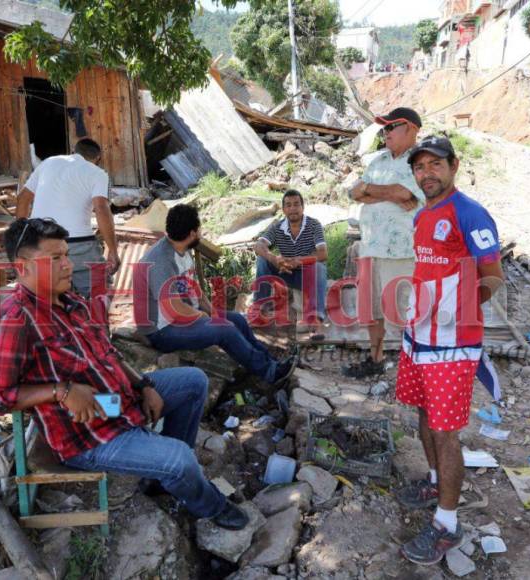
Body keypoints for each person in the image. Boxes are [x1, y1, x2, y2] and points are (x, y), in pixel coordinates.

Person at [0, 218, 249, 530]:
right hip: (86, 435)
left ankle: (162, 479)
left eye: (66, 255)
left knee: (193, 381)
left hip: (115, 403)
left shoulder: (72, 300)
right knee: (180, 459)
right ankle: (208, 505)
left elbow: (107, 352)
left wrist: (144, 384)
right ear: (22, 266)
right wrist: (61, 391)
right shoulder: (13, 319)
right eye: (55, 259)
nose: (68, 265)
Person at [395, 136, 504, 565]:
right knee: (423, 414)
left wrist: (458, 314)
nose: (427, 173)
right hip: (419, 334)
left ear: (454, 166)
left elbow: (493, 276)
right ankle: (436, 482)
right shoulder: (424, 215)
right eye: (419, 167)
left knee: (445, 430)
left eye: (435, 165)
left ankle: (447, 523)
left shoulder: (469, 212)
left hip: (453, 344)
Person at [138, 204, 297, 386]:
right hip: (162, 330)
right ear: (191, 233)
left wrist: (211, 311)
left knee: (237, 319)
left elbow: (194, 288)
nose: (201, 232)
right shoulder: (160, 261)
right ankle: (270, 373)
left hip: (183, 316)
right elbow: (174, 308)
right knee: (225, 329)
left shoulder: (182, 248)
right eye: (199, 229)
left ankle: (270, 361)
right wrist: (202, 316)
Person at [345, 107, 425, 378]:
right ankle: (376, 359)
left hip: (401, 251)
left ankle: (415, 367)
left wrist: (372, 190)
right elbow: (355, 192)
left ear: (411, 128)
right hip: (370, 247)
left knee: (405, 311)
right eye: (384, 128)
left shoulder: (422, 161)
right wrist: (384, 193)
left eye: (392, 127)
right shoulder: (378, 160)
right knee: (373, 310)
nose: (386, 132)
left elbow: (406, 193)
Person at [16, 138, 120, 298]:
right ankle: (96, 321)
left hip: (40, 242)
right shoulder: (97, 173)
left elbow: (23, 198)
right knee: (98, 294)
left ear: (73, 151)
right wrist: (112, 250)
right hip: (78, 244)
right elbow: (101, 208)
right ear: (97, 158)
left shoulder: (48, 163)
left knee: (47, 298)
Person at [253, 190, 328, 340]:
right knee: (262, 260)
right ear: (284, 209)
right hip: (283, 272)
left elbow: (323, 253)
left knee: (319, 267)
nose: (293, 208)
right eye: (288, 205)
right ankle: (258, 311)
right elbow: (258, 246)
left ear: (303, 207)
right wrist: (273, 259)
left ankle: (316, 321)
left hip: (304, 275)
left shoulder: (314, 225)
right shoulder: (277, 227)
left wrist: (298, 261)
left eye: (296, 204)